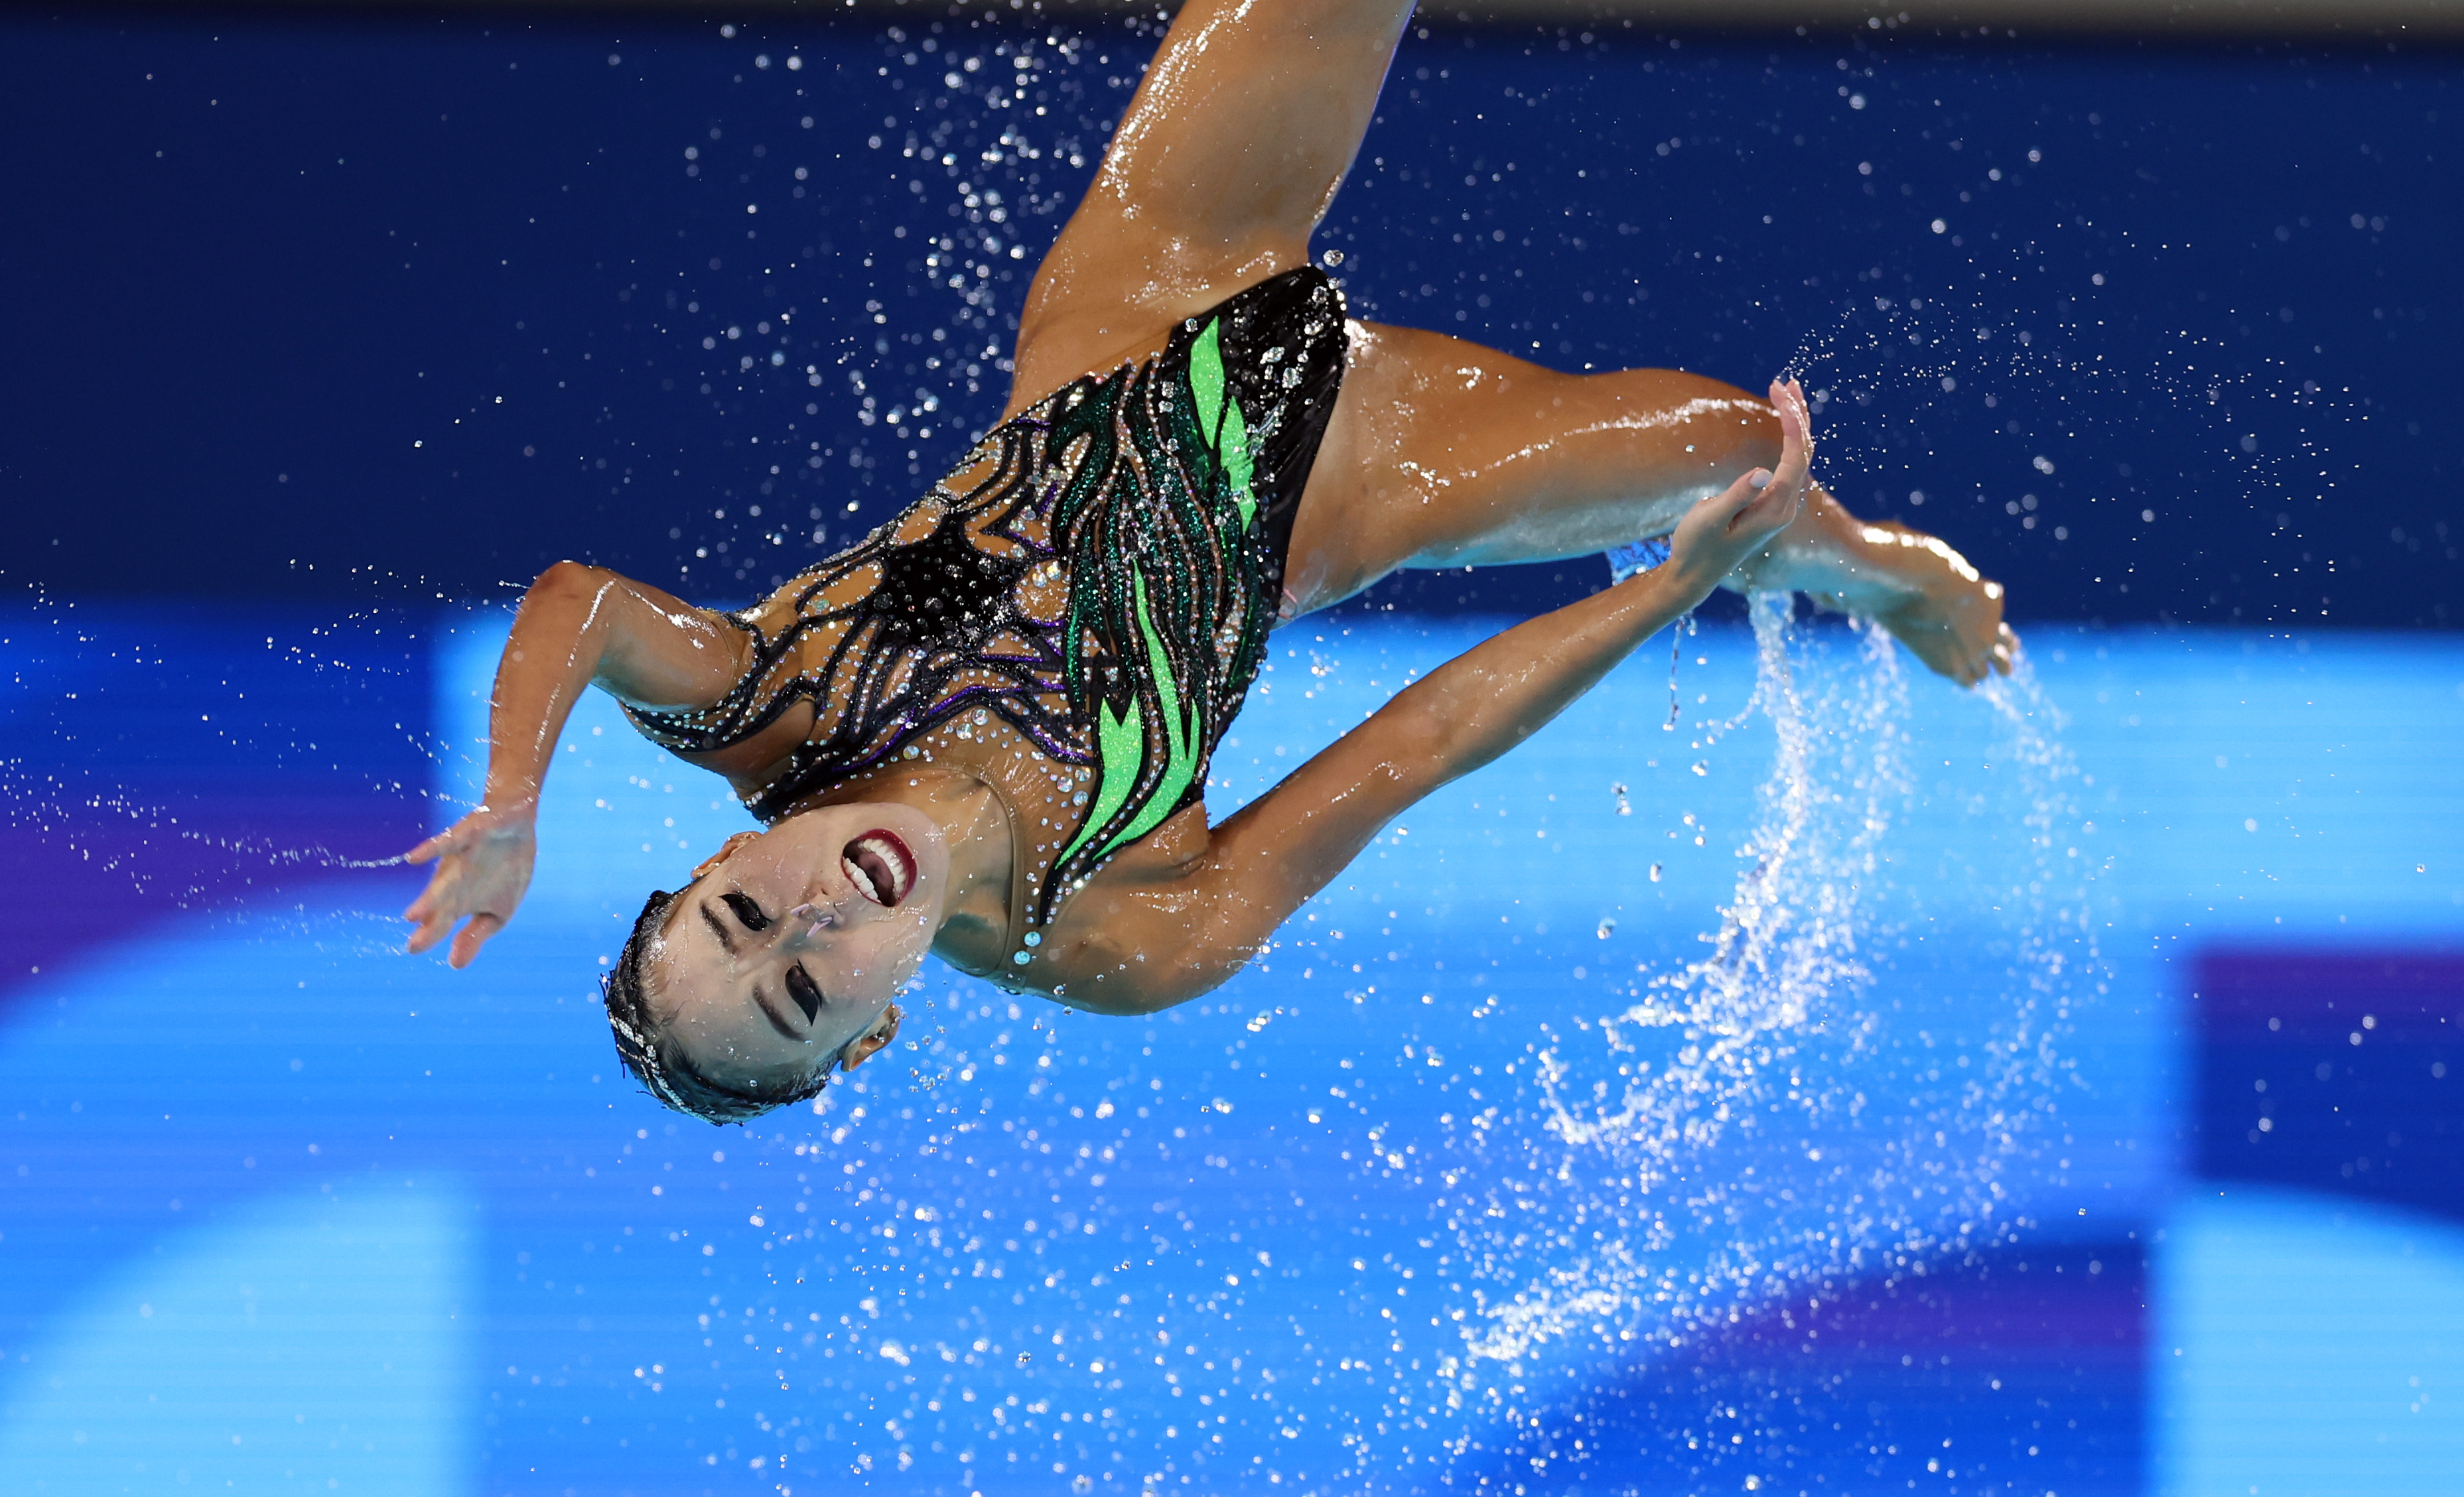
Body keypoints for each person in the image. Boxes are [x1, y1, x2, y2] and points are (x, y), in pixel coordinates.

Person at [402, 0, 2016, 1122]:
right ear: (874, 1029)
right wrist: (1669, 591)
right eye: (803, 994)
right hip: (1347, 480)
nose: (809, 920)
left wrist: (514, 801)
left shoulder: (762, 712)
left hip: (1147, 286)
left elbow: (579, 606)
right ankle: (1870, 567)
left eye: (745, 914)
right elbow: (1414, 752)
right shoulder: (1113, 934)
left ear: (712, 865)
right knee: (1737, 449)